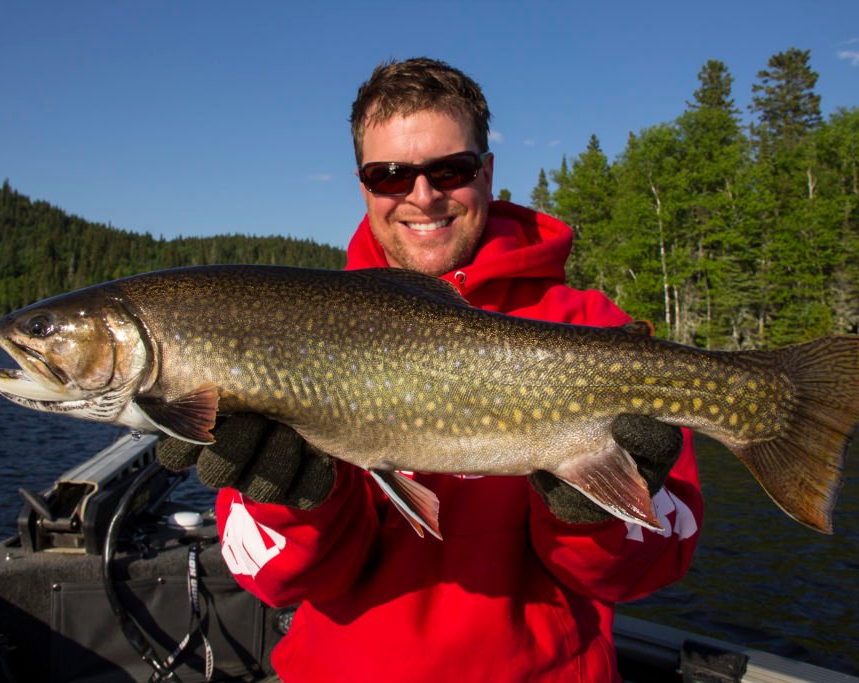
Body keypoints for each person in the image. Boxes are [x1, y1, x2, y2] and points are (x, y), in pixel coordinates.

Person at [158, 57, 702, 682]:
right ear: (364, 186)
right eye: (391, 175)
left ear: (488, 174)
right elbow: (276, 581)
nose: (423, 195)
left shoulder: (591, 332)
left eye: (451, 169)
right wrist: (291, 502)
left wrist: (593, 515)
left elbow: (647, 569)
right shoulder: (292, 334)